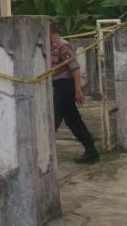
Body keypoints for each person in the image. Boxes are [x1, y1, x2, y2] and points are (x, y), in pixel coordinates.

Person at [50, 23, 100, 164]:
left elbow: (75, 68)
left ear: (50, 30)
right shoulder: (50, 46)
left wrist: (78, 90)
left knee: (53, 120)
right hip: (58, 86)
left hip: (65, 87)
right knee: (73, 120)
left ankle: (44, 155)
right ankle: (91, 150)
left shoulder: (63, 46)